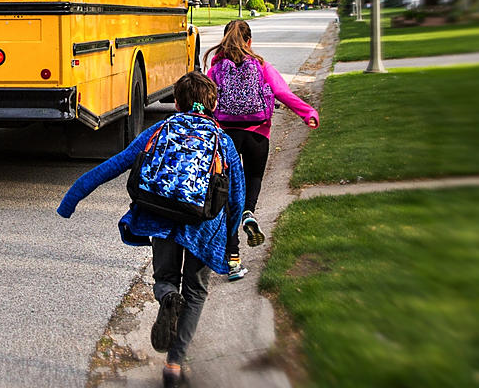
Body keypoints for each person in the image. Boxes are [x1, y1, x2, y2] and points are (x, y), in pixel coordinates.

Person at [57, 71, 245, 388]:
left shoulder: (159, 130)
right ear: (213, 103)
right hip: (203, 226)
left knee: (165, 279)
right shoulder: (222, 141)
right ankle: (174, 364)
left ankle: (168, 296)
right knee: (196, 292)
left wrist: (72, 198)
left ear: (176, 103)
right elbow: (237, 196)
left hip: (160, 217)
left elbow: (115, 164)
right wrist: (232, 239)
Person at [204, 20, 319, 281]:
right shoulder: (262, 65)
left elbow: (204, 101)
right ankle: (249, 212)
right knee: (253, 178)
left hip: (227, 136)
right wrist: (307, 113)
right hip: (257, 134)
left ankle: (233, 261)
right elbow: (282, 92)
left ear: (225, 40)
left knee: (228, 195)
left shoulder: (215, 68)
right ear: (249, 42)